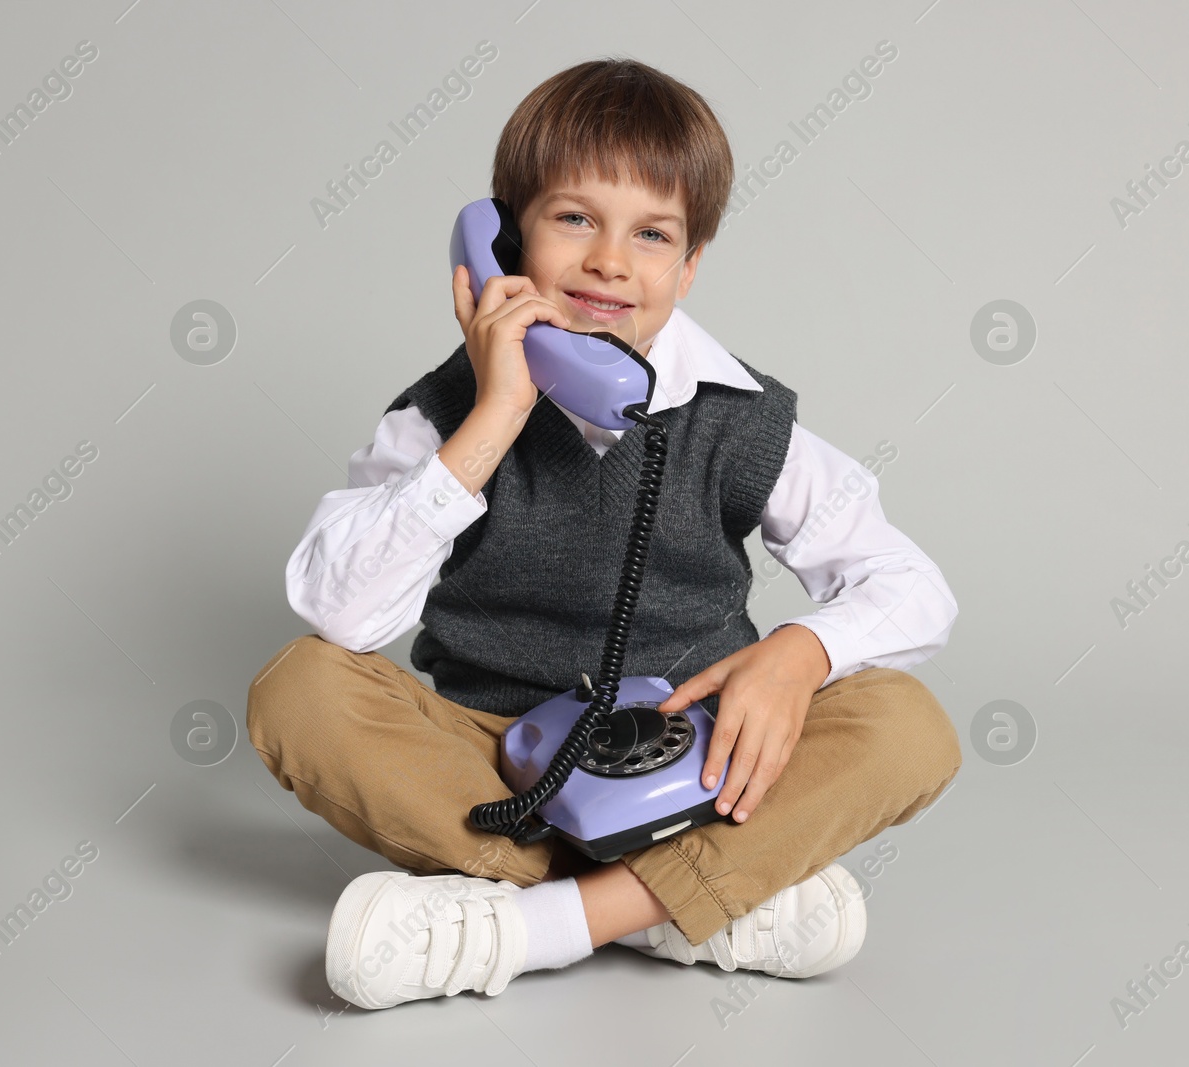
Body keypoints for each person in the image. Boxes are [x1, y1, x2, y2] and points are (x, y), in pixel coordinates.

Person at [247, 57, 962, 1011]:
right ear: (501, 240)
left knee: (906, 724)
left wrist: (801, 651)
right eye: (574, 218)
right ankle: (697, 900)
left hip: (696, 753)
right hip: (498, 760)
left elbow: (916, 587)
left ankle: (532, 921)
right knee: (298, 689)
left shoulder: (740, 418)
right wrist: (496, 415)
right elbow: (337, 612)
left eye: (652, 234)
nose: (610, 262)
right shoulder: (445, 416)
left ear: (690, 263)